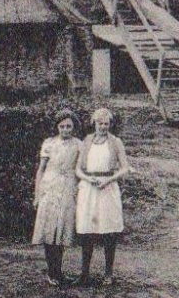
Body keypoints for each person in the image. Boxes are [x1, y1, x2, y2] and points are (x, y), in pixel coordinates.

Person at [75, 107, 131, 286]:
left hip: (108, 188)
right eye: (100, 123)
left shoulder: (116, 142)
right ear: (94, 124)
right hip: (89, 188)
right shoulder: (87, 141)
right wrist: (87, 178)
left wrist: (109, 180)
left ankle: (108, 273)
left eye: (106, 124)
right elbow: (77, 168)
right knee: (87, 231)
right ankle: (85, 273)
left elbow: (124, 168)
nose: (103, 127)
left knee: (108, 232)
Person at [31, 108, 83, 286]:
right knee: (49, 229)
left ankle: (59, 272)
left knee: (62, 230)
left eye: (69, 126)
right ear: (57, 127)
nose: (66, 130)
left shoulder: (79, 144)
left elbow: (81, 168)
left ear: (74, 127)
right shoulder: (49, 143)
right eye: (62, 126)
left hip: (68, 187)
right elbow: (41, 170)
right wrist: (37, 194)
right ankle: (51, 271)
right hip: (50, 186)